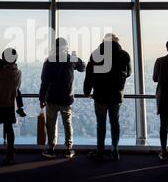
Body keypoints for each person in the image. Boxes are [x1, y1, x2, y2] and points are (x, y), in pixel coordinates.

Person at [84, 33, 131, 161]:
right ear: (116, 41)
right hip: (116, 94)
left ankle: (100, 150)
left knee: (101, 124)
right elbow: (129, 73)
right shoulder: (124, 55)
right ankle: (115, 150)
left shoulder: (96, 54)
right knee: (115, 122)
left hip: (100, 94)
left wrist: (87, 91)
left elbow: (89, 75)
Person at [39, 38, 85, 159]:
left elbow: (44, 82)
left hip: (52, 98)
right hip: (66, 98)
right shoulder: (70, 59)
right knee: (67, 124)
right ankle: (69, 149)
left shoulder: (49, 60)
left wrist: (41, 98)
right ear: (66, 47)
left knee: (51, 124)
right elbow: (83, 67)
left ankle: (51, 149)